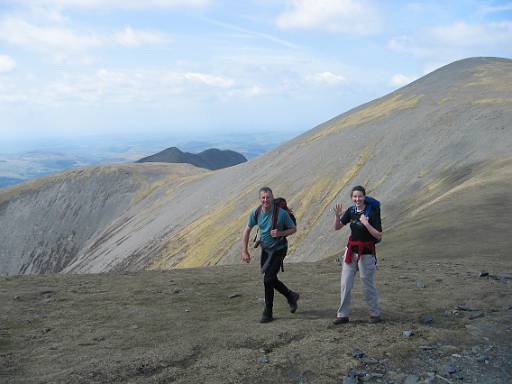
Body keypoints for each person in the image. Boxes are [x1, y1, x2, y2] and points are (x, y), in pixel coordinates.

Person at [242, 187, 299, 323]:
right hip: (266, 250)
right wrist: (244, 251)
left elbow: (293, 229)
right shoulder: (256, 213)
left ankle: (268, 311)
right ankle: (291, 296)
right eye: (263, 198)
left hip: (279, 249)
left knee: (268, 280)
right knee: (271, 279)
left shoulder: (281, 214)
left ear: (272, 198)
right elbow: (247, 230)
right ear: (260, 199)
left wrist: (280, 233)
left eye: (268, 197)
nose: (266, 200)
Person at [332, 185, 382, 324]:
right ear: (352, 198)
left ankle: (375, 314)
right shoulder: (351, 211)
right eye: (355, 196)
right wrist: (337, 216)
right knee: (345, 283)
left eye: (360, 196)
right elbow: (337, 227)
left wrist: (366, 223)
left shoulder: (372, 213)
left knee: (367, 284)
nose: (357, 199)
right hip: (350, 251)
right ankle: (342, 315)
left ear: (364, 197)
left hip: (366, 254)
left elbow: (378, 235)